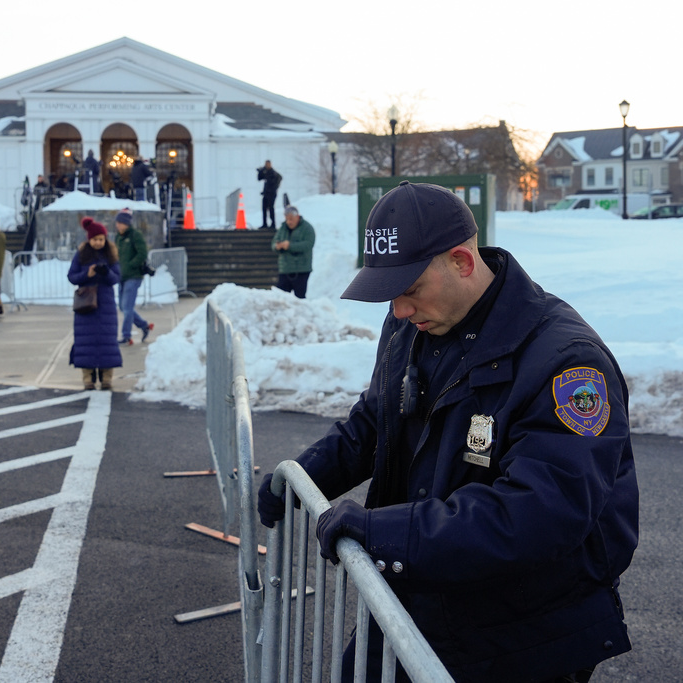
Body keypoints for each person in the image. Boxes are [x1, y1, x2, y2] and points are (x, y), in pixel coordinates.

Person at [257, 181, 638, 683]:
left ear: (461, 261)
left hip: (522, 632)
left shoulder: (566, 363)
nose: (398, 310)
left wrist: (385, 533)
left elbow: (541, 512)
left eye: (410, 290)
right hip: (421, 593)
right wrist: (304, 477)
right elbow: (377, 418)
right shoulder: (413, 324)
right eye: (390, 294)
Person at [67, 217, 122, 390]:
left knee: (107, 342)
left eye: (101, 239)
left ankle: (107, 378)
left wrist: (106, 273)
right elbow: (72, 276)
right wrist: (87, 275)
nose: (98, 243)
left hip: (105, 304)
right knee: (86, 343)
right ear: (89, 239)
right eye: (95, 239)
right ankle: (87, 379)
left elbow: (116, 278)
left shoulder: (111, 255)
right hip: (86, 304)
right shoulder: (81, 254)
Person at [113, 209, 154, 345]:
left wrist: (131, 265)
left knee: (128, 307)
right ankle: (144, 326)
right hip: (122, 276)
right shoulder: (118, 237)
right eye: (117, 223)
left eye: (120, 223)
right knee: (123, 307)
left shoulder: (135, 235)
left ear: (126, 223)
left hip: (134, 276)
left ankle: (126, 336)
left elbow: (142, 253)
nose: (117, 225)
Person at [272, 205, 315, 299]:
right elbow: (274, 243)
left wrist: (290, 246)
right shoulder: (283, 228)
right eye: (287, 219)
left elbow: (308, 244)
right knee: (280, 298)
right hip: (285, 269)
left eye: (291, 219)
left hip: (301, 269)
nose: (289, 222)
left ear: (297, 217)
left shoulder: (307, 228)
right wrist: (277, 246)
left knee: (300, 298)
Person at [257, 160, 282, 229]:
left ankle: (273, 224)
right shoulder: (266, 172)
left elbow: (278, 178)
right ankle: (265, 223)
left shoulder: (273, 173)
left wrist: (274, 188)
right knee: (264, 208)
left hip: (271, 194)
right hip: (266, 194)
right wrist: (260, 171)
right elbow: (259, 178)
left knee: (271, 208)